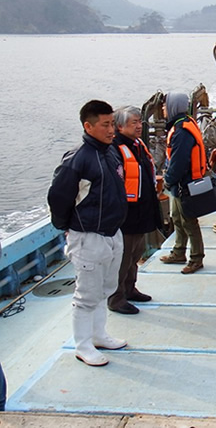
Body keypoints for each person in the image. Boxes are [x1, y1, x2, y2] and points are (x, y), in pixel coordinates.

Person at [47, 100, 129, 367]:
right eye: (105, 125)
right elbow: (58, 198)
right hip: (88, 236)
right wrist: (69, 229)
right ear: (88, 125)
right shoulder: (78, 159)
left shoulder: (111, 153)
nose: (111, 130)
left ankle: (98, 334)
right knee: (86, 294)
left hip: (112, 232)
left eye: (112, 123)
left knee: (106, 287)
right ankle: (82, 345)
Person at [108, 106, 162, 315]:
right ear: (120, 126)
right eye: (134, 123)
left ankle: (130, 289)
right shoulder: (115, 149)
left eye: (140, 122)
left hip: (142, 212)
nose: (139, 126)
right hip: (127, 215)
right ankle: (116, 298)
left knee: (135, 254)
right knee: (123, 257)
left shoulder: (137, 145)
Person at [159, 92, 208, 274]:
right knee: (177, 218)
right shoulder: (183, 124)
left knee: (188, 221)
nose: (163, 109)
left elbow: (179, 163)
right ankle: (178, 251)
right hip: (178, 185)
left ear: (173, 107)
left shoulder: (182, 132)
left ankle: (196, 258)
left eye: (165, 106)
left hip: (184, 184)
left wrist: (168, 180)